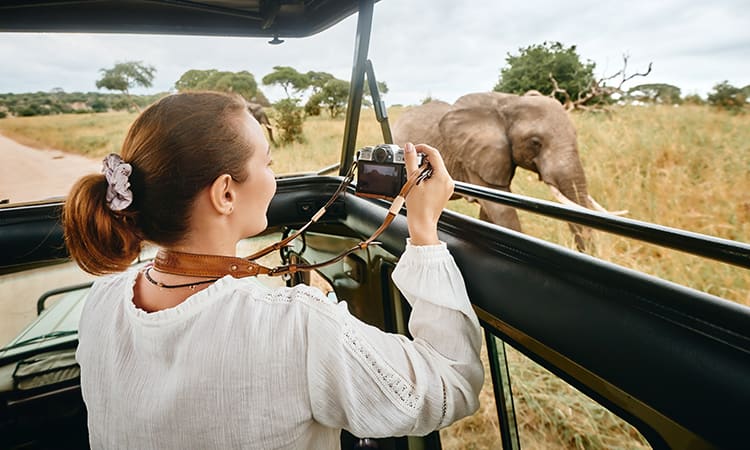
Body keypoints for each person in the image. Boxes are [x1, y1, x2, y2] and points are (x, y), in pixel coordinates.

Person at [64, 91, 483, 449]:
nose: (274, 177)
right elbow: (451, 385)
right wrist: (424, 231)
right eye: (267, 163)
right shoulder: (295, 325)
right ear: (226, 193)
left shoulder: (101, 301)